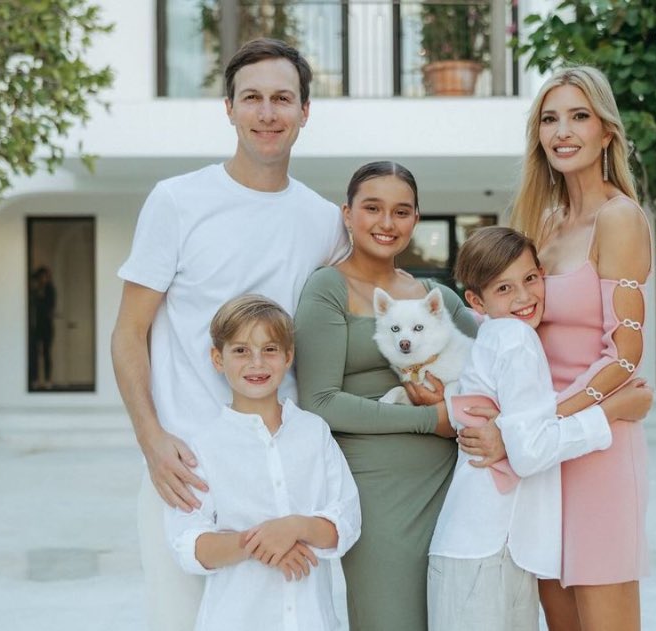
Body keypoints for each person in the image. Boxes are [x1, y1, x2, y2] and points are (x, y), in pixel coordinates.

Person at [110, 38, 349, 631]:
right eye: (253, 98)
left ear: (304, 111)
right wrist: (151, 439)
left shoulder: (322, 220)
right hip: (187, 470)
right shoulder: (177, 202)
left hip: (282, 472)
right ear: (229, 108)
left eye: (282, 99)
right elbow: (128, 332)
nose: (268, 113)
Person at [427, 227, 652, 631]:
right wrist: (612, 410)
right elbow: (529, 451)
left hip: (484, 545)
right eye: (504, 289)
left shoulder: (496, 336)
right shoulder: (515, 338)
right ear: (476, 301)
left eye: (531, 279)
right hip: (488, 550)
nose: (524, 297)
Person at [293, 161, 477, 631]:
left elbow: (493, 367)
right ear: (348, 214)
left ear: (416, 219)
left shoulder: (435, 297)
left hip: (454, 489)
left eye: (401, 211)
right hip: (374, 494)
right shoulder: (327, 289)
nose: (386, 223)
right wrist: (431, 418)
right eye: (372, 208)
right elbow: (320, 401)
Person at [503, 65, 654, 631]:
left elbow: (624, 355)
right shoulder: (542, 224)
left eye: (578, 116)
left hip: (598, 450)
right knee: (558, 618)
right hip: (545, 457)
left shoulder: (620, 219)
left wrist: (547, 421)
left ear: (606, 132)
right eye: (549, 118)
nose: (562, 131)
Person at [164, 294, 360, 631]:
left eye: (269, 349)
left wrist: (295, 527)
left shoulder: (315, 433)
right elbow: (191, 546)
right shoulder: (202, 448)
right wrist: (261, 544)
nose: (257, 362)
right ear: (217, 358)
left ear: (288, 357)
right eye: (241, 350)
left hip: (312, 621)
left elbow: (347, 522)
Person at [28, 266, 56, 389]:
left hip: (46, 326)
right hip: (36, 325)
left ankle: (48, 379)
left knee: (46, 352)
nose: (43, 279)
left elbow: (49, 305)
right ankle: (35, 379)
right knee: (34, 353)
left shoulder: (50, 289)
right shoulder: (35, 289)